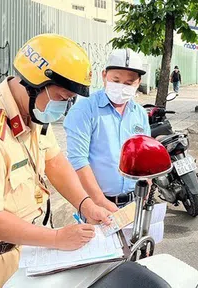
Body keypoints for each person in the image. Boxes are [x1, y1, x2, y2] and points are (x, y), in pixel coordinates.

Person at [0, 34, 112, 287]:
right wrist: (58, 237)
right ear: (34, 83)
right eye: (62, 98)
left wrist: (85, 205)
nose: (65, 108)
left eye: (70, 100)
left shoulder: (31, 113)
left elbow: (55, 162)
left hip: (25, 251)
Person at [63, 48, 151, 212]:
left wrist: (147, 185)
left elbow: (145, 155)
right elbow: (78, 160)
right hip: (98, 205)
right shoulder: (84, 110)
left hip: (135, 202)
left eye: (128, 83)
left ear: (138, 82)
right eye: (116, 80)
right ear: (104, 76)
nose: (121, 87)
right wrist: (100, 201)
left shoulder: (139, 113)